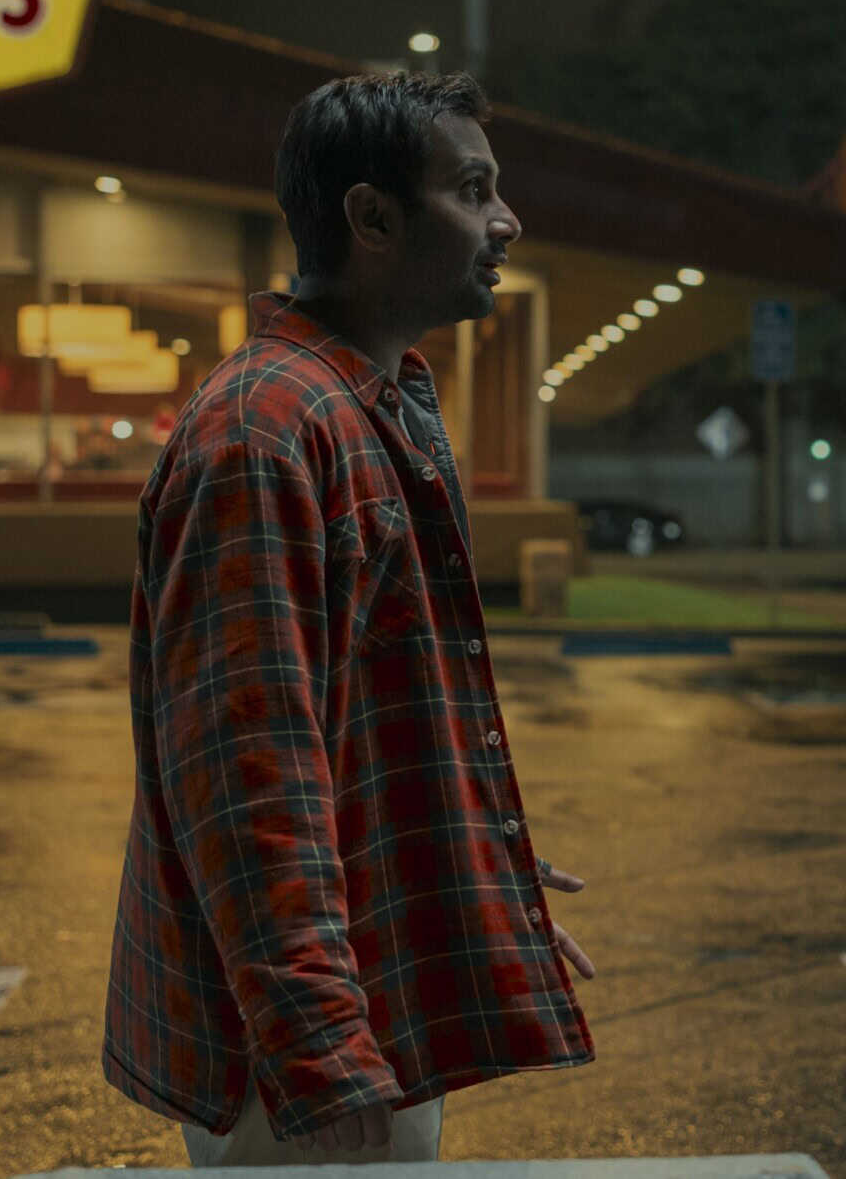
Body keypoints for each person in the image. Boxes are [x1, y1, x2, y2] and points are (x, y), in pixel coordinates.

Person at [103, 70, 597, 1167]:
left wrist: (470, 872)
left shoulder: (362, 403)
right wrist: (320, 1043)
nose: (505, 221)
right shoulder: (265, 432)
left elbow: (358, 722)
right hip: (298, 1064)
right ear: (371, 217)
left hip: (359, 996)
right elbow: (245, 774)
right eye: (473, 190)